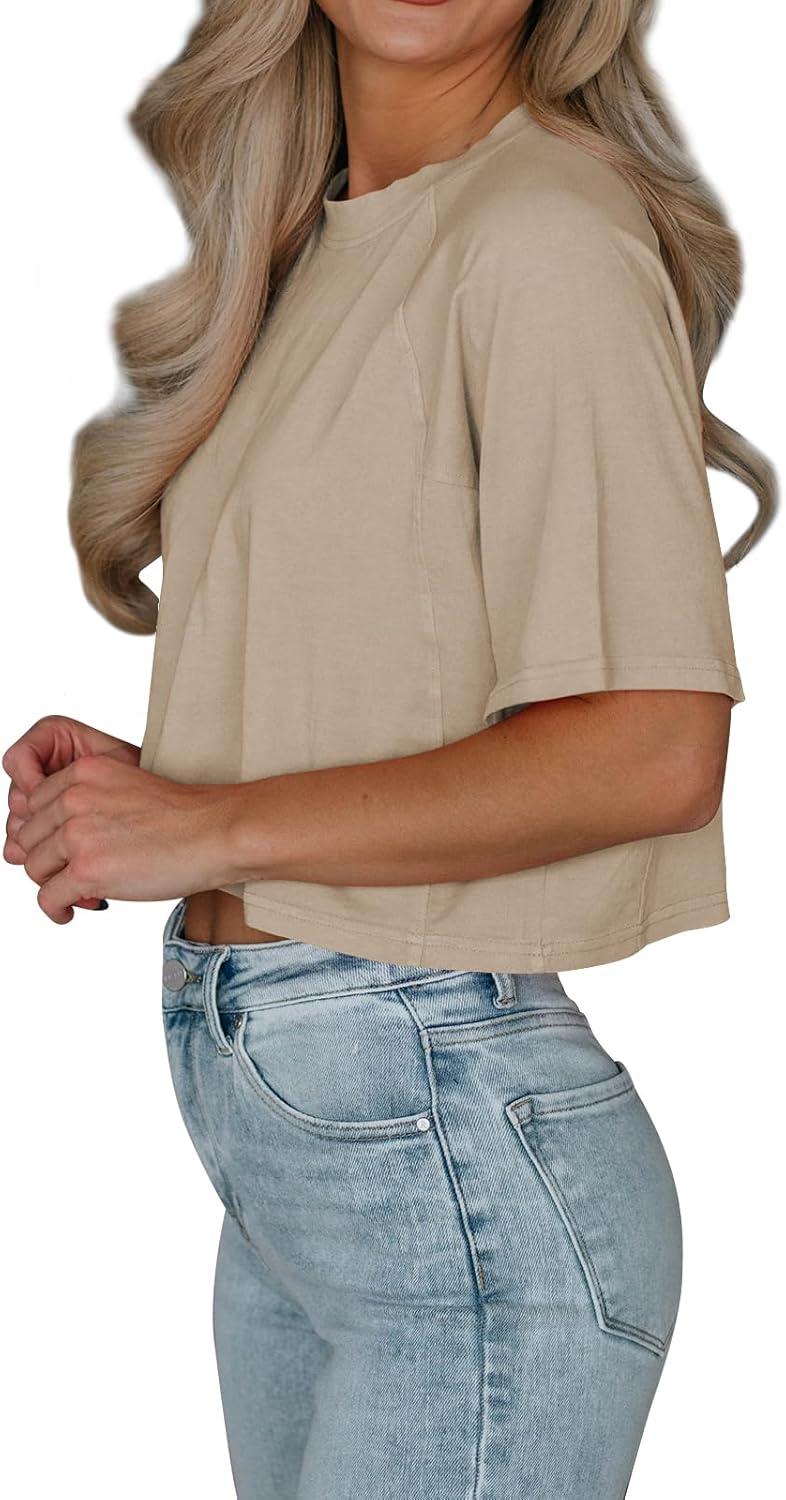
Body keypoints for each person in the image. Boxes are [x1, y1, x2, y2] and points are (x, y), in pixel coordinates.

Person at [3, 2, 777, 1496]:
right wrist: (166, 786)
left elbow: (651, 748)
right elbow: (412, 674)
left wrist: (208, 832)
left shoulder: (544, 230)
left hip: (441, 1144)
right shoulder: (317, 248)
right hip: (313, 1157)